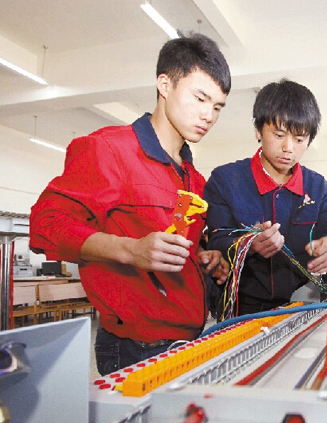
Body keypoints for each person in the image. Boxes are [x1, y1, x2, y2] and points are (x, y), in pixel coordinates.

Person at [29, 33, 232, 376]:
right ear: (165, 85)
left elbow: (172, 243)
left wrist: (202, 257)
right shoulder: (110, 150)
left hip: (189, 337)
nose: (208, 115)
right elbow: (45, 225)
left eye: (217, 107)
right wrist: (131, 250)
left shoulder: (193, 178)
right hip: (135, 347)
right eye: (200, 98)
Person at [204, 79, 327, 315]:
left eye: (299, 139)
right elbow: (216, 240)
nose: (288, 148)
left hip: (297, 305)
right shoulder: (226, 180)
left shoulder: (316, 186)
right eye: (279, 135)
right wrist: (248, 244)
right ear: (258, 130)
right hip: (238, 309)